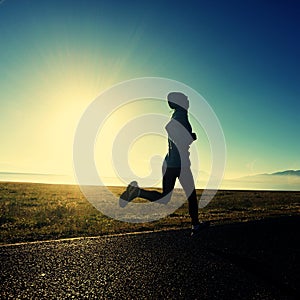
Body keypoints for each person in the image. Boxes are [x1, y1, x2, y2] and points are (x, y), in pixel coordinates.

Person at [120, 92, 209, 237]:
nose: (188, 102)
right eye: (185, 99)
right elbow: (171, 129)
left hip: (170, 163)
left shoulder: (176, 114)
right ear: (180, 102)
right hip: (180, 164)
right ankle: (196, 225)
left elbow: (171, 129)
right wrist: (191, 137)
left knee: (165, 198)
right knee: (191, 196)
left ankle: (137, 192)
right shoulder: (181, 114)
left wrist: (185, 136)